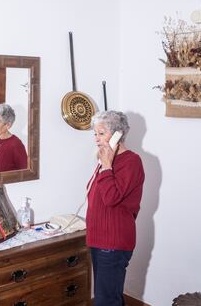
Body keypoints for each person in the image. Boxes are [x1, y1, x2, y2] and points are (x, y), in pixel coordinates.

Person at [86, 110, 145, 306]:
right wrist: (105, 164)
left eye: (101, 133)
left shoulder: (131, 161)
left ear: (118, 134)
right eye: (95, 134)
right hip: (99, 238)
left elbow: (111, 198)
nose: (96, 139)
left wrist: (106, 166)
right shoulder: (107, 160)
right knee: (108, 296)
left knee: (106, 300)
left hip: (113, 241)